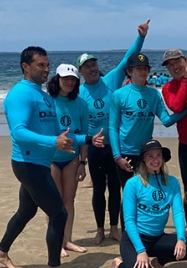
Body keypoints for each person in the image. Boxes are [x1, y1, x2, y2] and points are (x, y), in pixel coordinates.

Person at [0, 46, 103, 268]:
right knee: (59, 213)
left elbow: (57, 134)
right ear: (25, 66)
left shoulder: (44, 97)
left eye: (47, 64)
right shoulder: (20, 94)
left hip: (40, 163)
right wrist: (53, 142)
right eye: (40, 65)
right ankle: (54, 265)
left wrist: (87, 140)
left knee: (26, 210)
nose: (46, 69)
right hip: (27, 163)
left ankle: (1, 252)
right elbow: (18, 132)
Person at [77, 19, 148, 245]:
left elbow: (129, 57)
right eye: (87, 66)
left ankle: (115, 228)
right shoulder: (78, 93)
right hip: (96, 148)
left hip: (117, 145)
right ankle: (100, 230)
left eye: (94, 64)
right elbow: (77, 124)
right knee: (99, 190)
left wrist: (141, 36)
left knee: (116, 189)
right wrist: (81, 158)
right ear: (81, 71)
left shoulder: (111, 80)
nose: (93, 68)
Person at [109, 52, 186, 229]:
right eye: (138, 68)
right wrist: (117, 157)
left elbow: (166, 121)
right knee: (128, 196)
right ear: (129, 71)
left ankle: (144, 232)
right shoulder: (119, 95)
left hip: (146, 155)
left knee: (146, 194)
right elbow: (113, 127)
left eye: (145, 68)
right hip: (125, 153)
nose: (143, 72)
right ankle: (127, 236)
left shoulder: (153, 95)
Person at [110, 140, 187, 268]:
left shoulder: (172, 182)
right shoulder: (133, 184)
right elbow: (129, 220)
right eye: (150, 156)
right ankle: (119, 264)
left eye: (158, 155)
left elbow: (178, 213)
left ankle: (158, 262)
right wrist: (141, 251)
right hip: (134, 239)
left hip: (157, 238)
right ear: (143, 160)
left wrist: (180, 239)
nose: (155, 160)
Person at [47, 63, 93, 257]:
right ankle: (55, 242)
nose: (69, 82)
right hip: (50, 158)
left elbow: (84, 135)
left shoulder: (81, 103)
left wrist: (83, 163)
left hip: (72, 158)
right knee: (53, 202)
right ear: (57, 79)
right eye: (65, 78)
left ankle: (67, 240)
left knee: (69, 200)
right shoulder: (47, 100)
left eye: (73, 79)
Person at [160, 48, 187, 240]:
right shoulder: (168, 87)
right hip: (186, 146)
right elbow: (176, 106)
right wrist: (185, 79)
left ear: (186, 60)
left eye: (178, 61)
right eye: (170, 64)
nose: (174, 66)